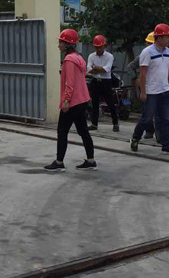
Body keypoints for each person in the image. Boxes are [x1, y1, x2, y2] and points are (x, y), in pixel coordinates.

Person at [45, 29, 96, 171]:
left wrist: (66, 101)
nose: (59, 45)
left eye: (61, 42)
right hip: (82, 100)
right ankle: (91, 161)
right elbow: (81, 76)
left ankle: (59, 162)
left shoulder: (69, 60)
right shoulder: (78, 58)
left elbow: (70, 83)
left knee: (62, 131)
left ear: (67, 44)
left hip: (72, 102)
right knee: (83, 131)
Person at [130, 23, 169, 155]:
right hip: (151, 92)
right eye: (167, 37)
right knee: (146, 118)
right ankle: (135, 138)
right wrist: (143, 91)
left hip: (165, 91)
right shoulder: (147, 52)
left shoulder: (168, 51)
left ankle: (166, 145)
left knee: (165, 119)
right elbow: (142, 73)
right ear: (159, 37)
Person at [87, 34, 119, 132]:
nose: (99, 49)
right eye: (97, 47)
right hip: (95, 81)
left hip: (106, 81)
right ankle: (94, 124)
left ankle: (115, 123)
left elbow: (107, 69)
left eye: (100, 47)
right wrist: (98, 69)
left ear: (104, 46)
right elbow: (88, 69)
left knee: (110, 103)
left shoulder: (109, 56)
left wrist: (95, 68)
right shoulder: (91, 56)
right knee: (94, 103)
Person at [128, 31, 156, 140]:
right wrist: (136, 78)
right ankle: (149, 130)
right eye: (149, 44)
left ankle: (159, 134)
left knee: (159, 113)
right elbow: (130, 67)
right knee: (147, 111)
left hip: (157, 87)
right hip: (145, 87)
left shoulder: (161, 55)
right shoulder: (142, 56)